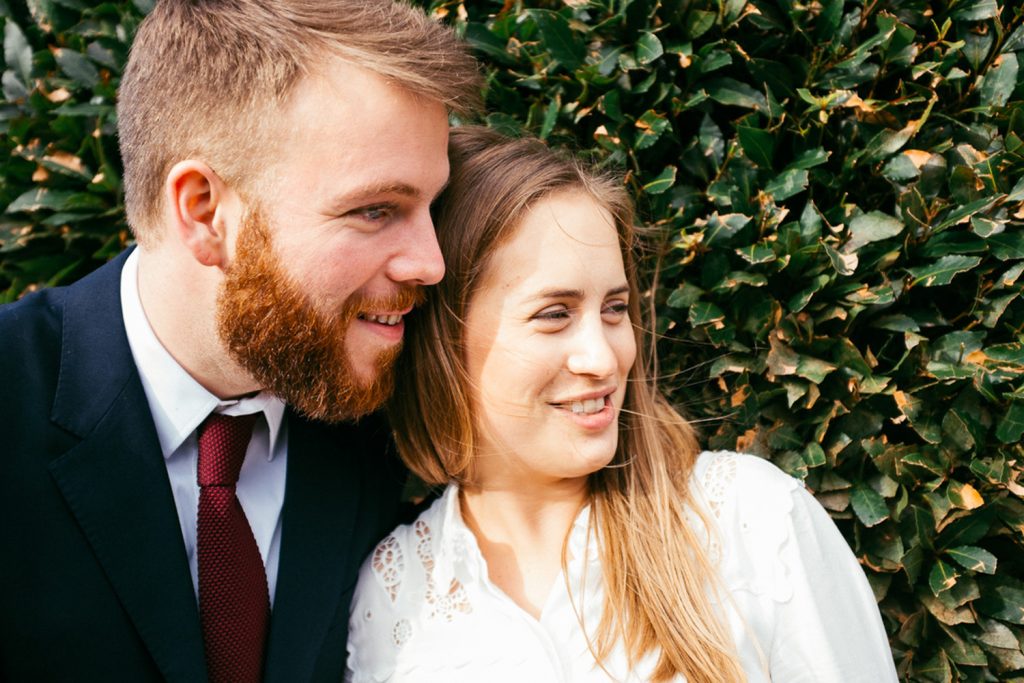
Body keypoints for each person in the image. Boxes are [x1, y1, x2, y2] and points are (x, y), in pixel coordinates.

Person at [0, 1, 479, 681]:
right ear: (204, 211)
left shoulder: (394, 405)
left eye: (432, 206)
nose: (430, 263)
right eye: (376, 210)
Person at [345, 127, 898, 682]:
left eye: (614, 309)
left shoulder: (751, 522)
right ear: (442, 339)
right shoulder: (393, 596)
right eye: (554, 314)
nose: (603, 358)